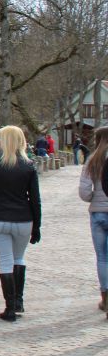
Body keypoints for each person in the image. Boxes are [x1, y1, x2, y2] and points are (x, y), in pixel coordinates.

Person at [0, 125, 41, 322]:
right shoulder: (28, 165)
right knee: (19, 258)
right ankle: (18, 301)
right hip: (23, 218)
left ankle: (9, 308)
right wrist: (37, 226)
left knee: (5, 261)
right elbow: (35, 199)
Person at [78, 126, 108, 318]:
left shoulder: (93, 160)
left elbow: (84, 191)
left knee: (103, 257)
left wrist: (94, 197)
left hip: (98, 213)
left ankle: (106, 296)